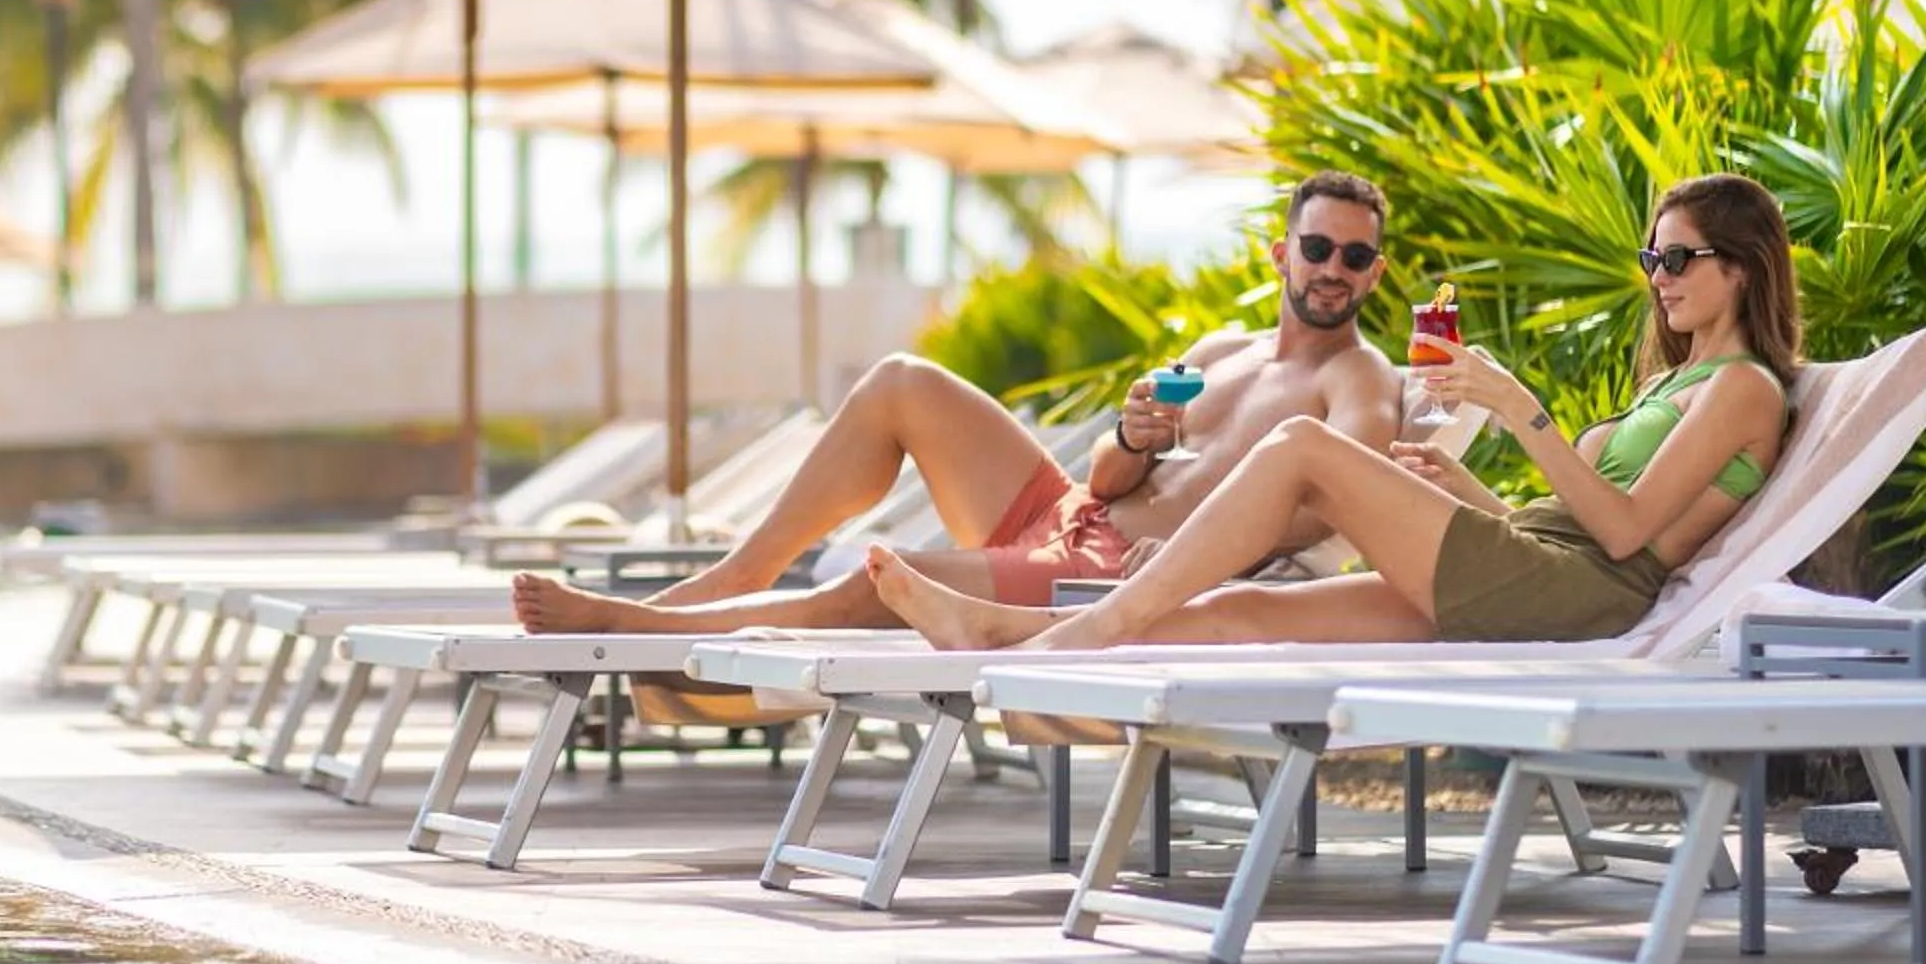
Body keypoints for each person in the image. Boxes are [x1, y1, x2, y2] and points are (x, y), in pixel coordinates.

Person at [864, 172, 1798, 654]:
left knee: (1302, 445)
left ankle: (1095, 629)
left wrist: (1521, 413)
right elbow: (1576, 523)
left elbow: (1626, 536)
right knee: (1241, 613)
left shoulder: (1744, 388)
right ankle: (998, 631)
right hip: (1538, 568)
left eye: (1677, 262)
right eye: (1653, 262)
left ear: (1739, 267)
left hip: (1580, 595)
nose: (1659, 280)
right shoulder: (1675, 386)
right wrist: (1471, 492)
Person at [512, 171, 1410, 636]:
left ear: (1373, 273)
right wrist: (1133, 441)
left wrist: (1188, 562)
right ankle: (740, 576)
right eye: (1319, 248)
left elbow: (1348, 493)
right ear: (1280, 254)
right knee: (904, 380)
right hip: (1074, 516)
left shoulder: (1359, 383)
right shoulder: (1220, 352)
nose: (1334, 270)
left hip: (1114, 578)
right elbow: (1106, 475)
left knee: (891, 579)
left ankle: (642, 624)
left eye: (1355, 259)